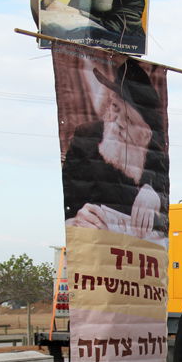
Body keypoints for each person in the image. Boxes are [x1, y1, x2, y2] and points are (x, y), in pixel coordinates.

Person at [63, 57, 169, 242]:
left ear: (145, 132)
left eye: (129, 120)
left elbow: (165, 208)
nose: (118, 122)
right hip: (94, 247)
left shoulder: (156, 152)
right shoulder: (86, 137)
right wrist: (77, 217)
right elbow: (69, 199)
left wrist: (154, 195)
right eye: (115, 107)